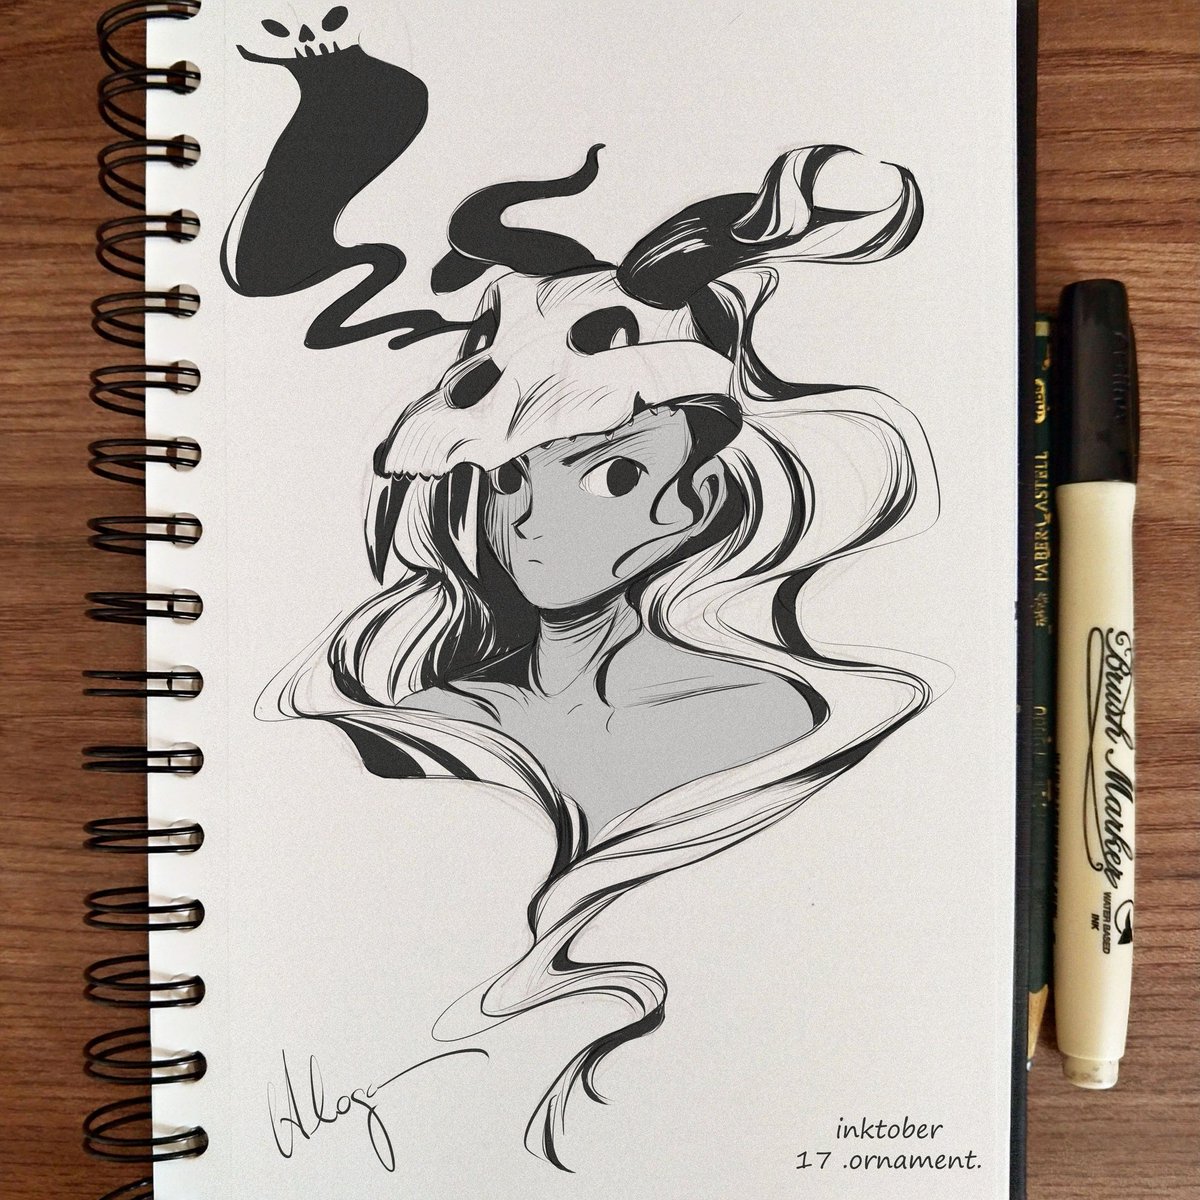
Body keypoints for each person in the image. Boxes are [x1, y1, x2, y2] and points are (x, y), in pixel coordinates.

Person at [259, 146, 940, 1169]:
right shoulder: (417, 720)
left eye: (608, 475)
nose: (532, 520)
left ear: (693, 504)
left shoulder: (786, 726)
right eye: (508, 479)